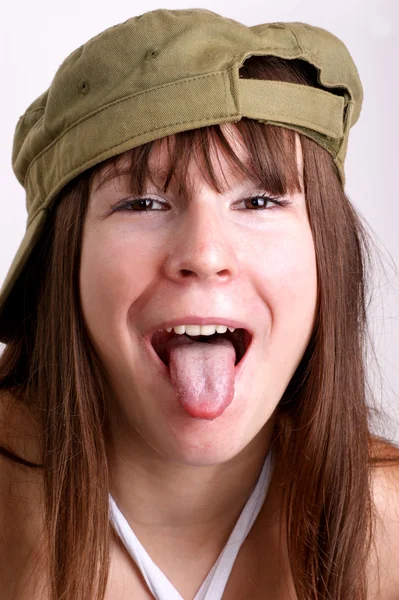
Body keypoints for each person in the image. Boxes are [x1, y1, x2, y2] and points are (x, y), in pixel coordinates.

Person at [0, 8, 398, 600]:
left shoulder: (386, 523)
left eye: (260, 200)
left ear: (327, 252)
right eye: (142, 203)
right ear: (65, 262)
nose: (206, 254)